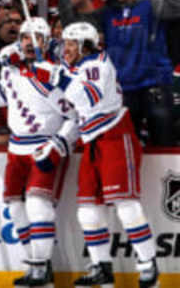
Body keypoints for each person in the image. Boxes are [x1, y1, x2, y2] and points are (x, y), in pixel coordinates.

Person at [0, 17, 79, 286]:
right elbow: (1, 93)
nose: (30, 44)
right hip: (16, 148)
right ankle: (35, 267)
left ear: (47, 42)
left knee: (37, 206)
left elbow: (75, 116)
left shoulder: (55, 75)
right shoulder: (11, 71)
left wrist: (58, 144)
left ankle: (42, 268)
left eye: (37, 38)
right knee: (16, 209)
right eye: (24, 38)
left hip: (43, 147)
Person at [60, 22, 158, 288]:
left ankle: (148, 264)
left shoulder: (97, 64)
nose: (65, 49)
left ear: (86, 46)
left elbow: (89, 97)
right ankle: (102, 267)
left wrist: (55, 77)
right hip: (92, 141)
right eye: (64, 43)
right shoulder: (76, 67)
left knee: (126, 206)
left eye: (71, 43)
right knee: (88, 211)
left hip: (115, 136)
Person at [58, 0, 180, 145]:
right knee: (126, 149)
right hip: (123, 93)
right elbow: (74, 29)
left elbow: (177, 8)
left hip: (155, 89)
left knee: (165, 148)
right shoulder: (107, 14)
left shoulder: (152, 5)